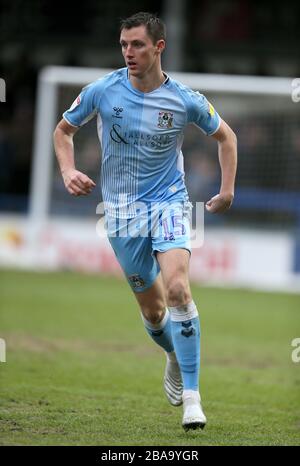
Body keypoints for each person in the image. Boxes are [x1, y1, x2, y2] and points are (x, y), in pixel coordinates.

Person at [53, 11, 237, 431]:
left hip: (170, 203)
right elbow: (63, 131)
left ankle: (193, 399)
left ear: (159, 47)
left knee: (177, 288)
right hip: (120, 214)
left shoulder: (185, 99)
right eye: (123, 45)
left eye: (136, 44)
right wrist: (67, 170)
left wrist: (227, 190)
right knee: (155, 314)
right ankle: (172, 354)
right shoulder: (102, 91)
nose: (128, 52)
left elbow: (227, 137)